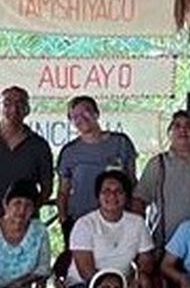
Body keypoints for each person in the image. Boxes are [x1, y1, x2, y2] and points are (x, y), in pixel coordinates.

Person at [64, 170, 154, 288]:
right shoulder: (85, 224)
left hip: (123, 285)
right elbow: (85, 269)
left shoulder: (137, 223)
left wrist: (142, 274)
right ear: (98, 196)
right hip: (86, 283)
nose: (112, 196)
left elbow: (146, 257)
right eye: (106, 191)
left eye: (118, 191)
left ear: (126, 196)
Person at [134, 110, 190, 247]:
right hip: (166, 244)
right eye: (177, 126)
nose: (183, 130)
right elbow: (139, 201)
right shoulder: (158, 163)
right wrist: (141, 240)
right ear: (169, 133)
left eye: (189, 126)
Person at [0, 86, 53, 227]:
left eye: (20, 104)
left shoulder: (39, 146)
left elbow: (46, 188)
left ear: (27, 110)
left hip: (24, 227)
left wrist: (25, 210)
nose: (14, 109)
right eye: (7, 103)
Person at [55, 95, 137, 235]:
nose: (81, 118)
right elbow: (63, 191)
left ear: (96, 113)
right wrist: (64, 220)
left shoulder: (121, 142)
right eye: (75, 116)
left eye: (85, 111)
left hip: (117, 220)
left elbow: (132, 181)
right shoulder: (69, 151)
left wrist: (135, 214)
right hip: (80, 220)